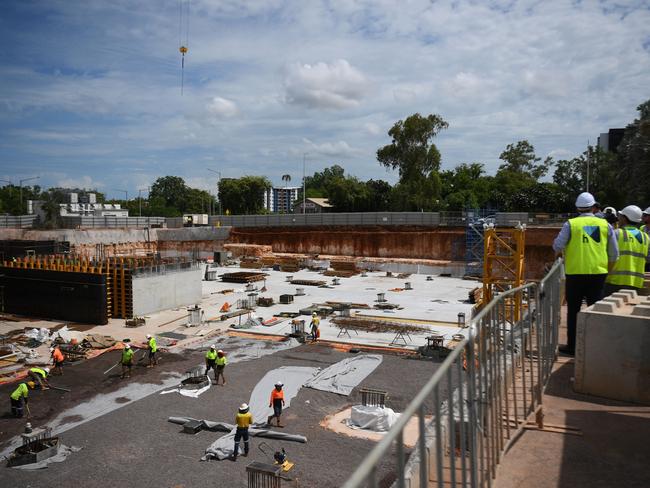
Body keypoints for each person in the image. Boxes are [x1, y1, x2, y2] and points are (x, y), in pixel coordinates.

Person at [553, 192, 619, 356]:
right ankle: (593, 348)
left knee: (573, 310)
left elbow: (557, 245)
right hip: (598, 274)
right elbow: (614, 254)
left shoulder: (571, 224)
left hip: (575, 274)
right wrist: (607, 270)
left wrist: (560, 254)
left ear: (577, 207)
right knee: (595, 310)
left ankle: (572, 347)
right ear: (593, 207)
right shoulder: (605, 225)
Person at [604, 205, 649, 296]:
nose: (618, 219)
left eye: (620, 216)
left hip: (614, 281)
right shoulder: (646, 237)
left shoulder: (617, 233)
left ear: (625, 218)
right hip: (635, 283)